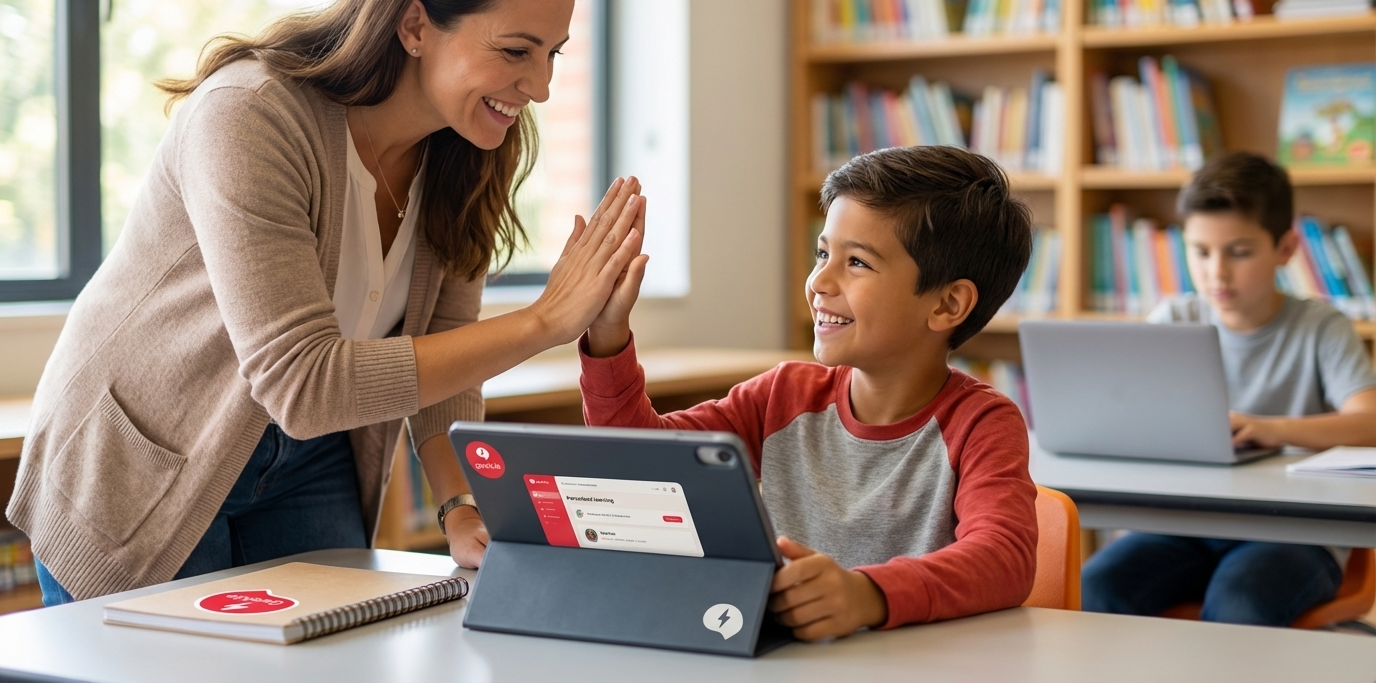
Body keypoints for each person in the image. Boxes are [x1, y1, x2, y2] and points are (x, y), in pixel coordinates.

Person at [9, 0, 645, 605]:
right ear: (414, 25)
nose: (541, 87)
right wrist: (544, 322)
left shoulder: (471, 148)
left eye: (553, 53)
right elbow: (302, 382)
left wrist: (457, 503)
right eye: (517, 50)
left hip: (311, 457)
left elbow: (449, 353)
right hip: (146, 461)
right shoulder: (250, 114)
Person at [577, 145, 1038, 640]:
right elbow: (639, 460)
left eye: (857, 262)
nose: (819, 281)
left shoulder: (982, 423)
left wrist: (867, 594)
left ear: (948, 304)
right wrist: (607, 334)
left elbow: (1004, 559)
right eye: (823, 253)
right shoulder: (782, 396)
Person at [1081, 152, 1376, 626]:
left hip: (1295, 533)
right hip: (1184, 525)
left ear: (1285, 249)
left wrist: (1272, 429)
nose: (1216, 272)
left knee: (1241, 600)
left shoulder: (1320, 326)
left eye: (1238, 252)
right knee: (1095, 585)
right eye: (1200, 252)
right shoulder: (1174, 319)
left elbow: (1370, 423)